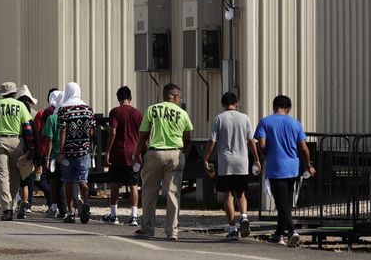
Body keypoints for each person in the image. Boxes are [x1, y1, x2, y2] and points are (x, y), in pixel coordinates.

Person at [133, 83, 193, 240]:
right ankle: (172, 231)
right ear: (175, 97)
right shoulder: (182, 113)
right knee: (173, 194)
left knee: (149, 192)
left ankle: (147, 228)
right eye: (179, 97)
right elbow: (187, 138)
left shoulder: (152, 110)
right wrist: (181, 152)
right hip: (175, 154)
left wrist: (136, 153)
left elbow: (143, 136)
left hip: (155, 153)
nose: (180, 99)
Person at [253, 95, 315, 247]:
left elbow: (261, 145)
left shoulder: (265, 122)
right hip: (293, 167)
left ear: (274, 107)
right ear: (288, 108)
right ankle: (278, 234)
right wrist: (308, 165)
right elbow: (303, 147)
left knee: (282, 203)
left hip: (276, 167)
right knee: (286, 201)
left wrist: (266, 154)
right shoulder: (295, 123)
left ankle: (292, 231)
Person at [202, 92, 260, 240]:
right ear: (237, 103)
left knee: (228, 195)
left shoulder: (219, 119)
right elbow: (251, 140)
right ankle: (245, 216)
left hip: (226, 162)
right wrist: (256, 158)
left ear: (223, 104)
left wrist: (206, 158)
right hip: (242, 162)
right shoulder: (245, 118)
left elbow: (212, 141)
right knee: (241, 193)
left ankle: (233, 229)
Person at [0, 82, 37, 221]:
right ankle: (12, 205)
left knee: (2, 176)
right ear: (14, 93)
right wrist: (31, 147)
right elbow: (27, 127)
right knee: (15, 177)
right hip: (16, 141)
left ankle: (6, 209)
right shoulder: (20, 106)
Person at [102, 86, 143, 226]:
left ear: (118, 98)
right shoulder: (138, 113)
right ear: (130, 98)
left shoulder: (115, 112)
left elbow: (113, 132)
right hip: (134, 154)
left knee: (115, 183)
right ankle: (134, 216)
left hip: (118, 152)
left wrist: (107, 152)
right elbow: (143, 135)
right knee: (133, 184)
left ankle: (114, 215)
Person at [57, 82, 96, 224]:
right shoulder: (89, 110)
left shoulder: (64, 109)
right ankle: (85, 201)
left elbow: (62, 130)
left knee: (68, 182)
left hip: (68, 152)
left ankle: (71, 212)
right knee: (82, 181)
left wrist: (61, 151)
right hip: (83, 151)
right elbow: (92, 131)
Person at [15, 84, 40, 218]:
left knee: (15, 176)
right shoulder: (34, 113)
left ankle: (18, 201)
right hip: (29, 148)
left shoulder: (15, 111)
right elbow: (35, 133)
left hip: (17, 145)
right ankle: (27, 203)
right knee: (28, 178)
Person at [42, 89, 66, 219]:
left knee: (54, 181)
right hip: (68, 154)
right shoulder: (68, 117)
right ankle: (70, 207)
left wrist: (47, 156)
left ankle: (56, 207)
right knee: (67, 181)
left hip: (54, 156)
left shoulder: (52, 118)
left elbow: (49, 139)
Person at [35, 87, 59, 214]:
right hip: (60, 151)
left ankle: (52, 201)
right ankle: (55, 203)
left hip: (45, 150)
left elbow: (39, 132)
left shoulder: (43, 113)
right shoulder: (63, 112)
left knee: (41, 178)